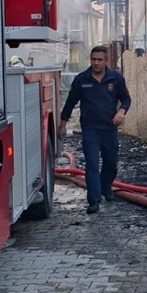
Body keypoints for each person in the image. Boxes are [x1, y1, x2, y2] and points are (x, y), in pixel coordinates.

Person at [58, 46, 131, 213]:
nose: (96, 63)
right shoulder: (82, 80)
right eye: (93, 59)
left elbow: (126, 98)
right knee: (91, 164)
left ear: (106, 61)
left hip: (109, 128)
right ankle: (94, 200)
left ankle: (105, 187)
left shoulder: (116, 79)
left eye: (99, 60)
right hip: (90, 129)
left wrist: (121, 111)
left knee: (111, 163)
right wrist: (63, 124)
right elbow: (70, 103)